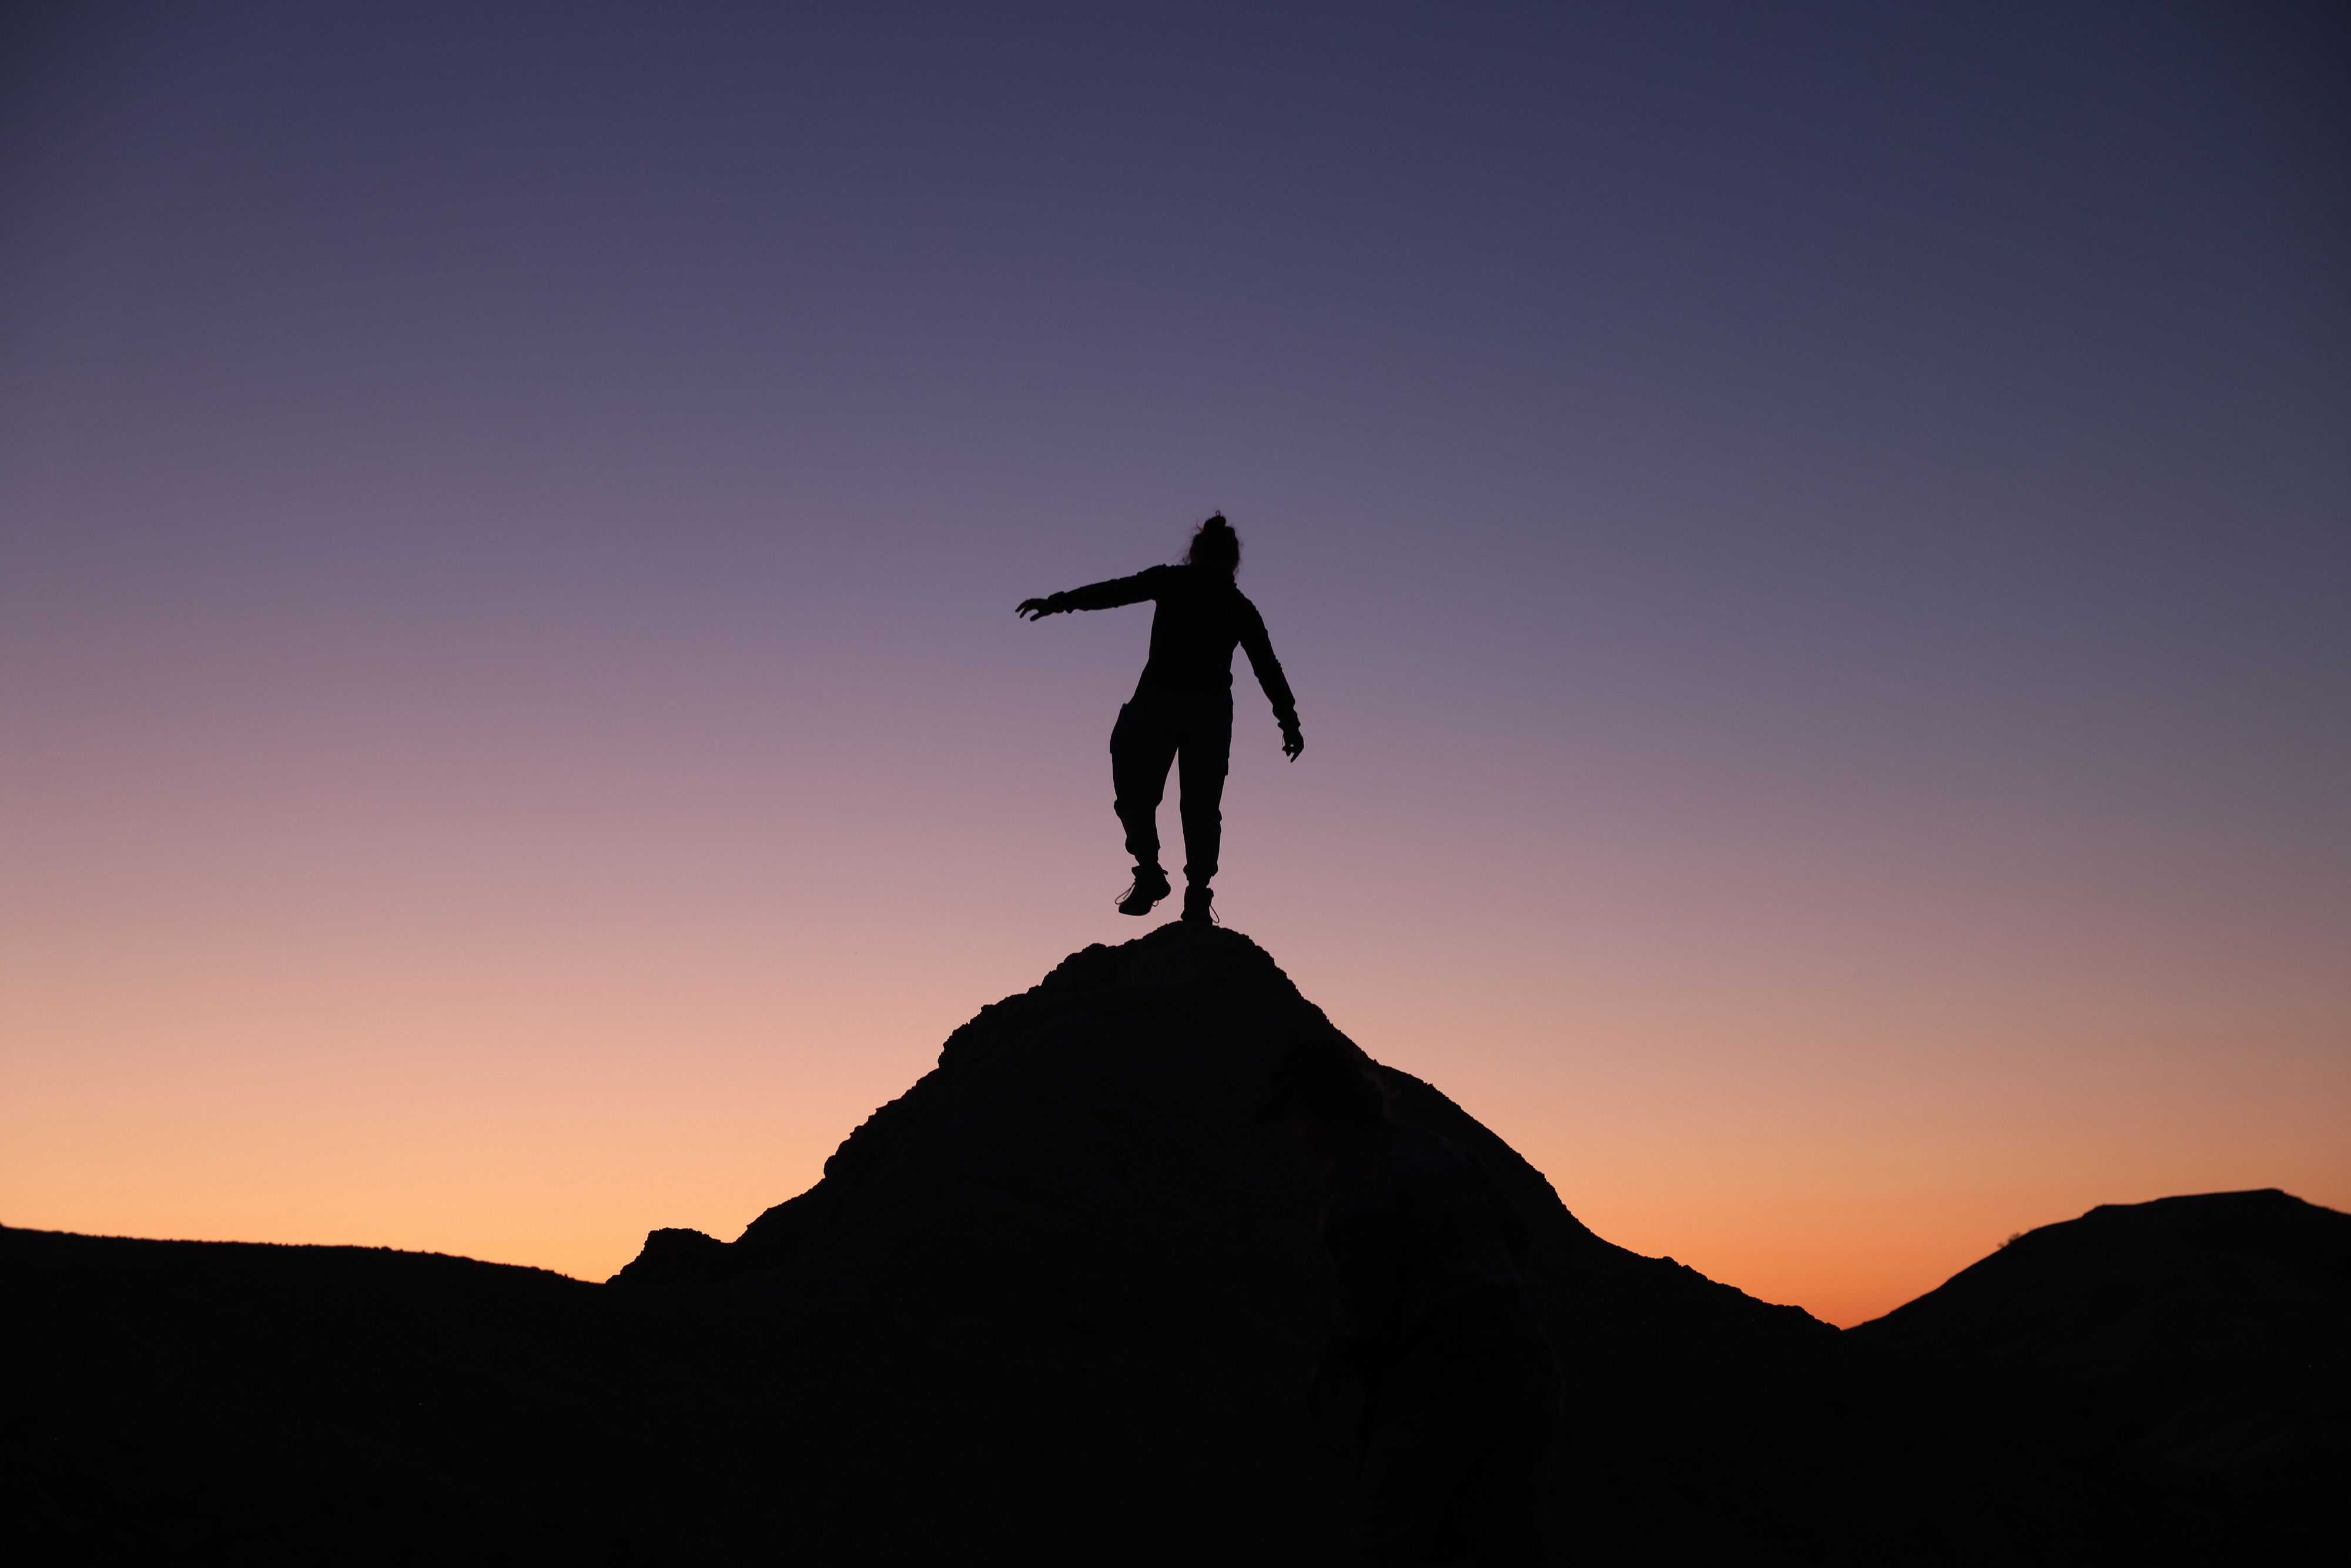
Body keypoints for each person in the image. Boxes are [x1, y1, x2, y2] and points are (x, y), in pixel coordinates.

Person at [1263, 1039, 1561, 1565]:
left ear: (1317, 1111)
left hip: (1441, 1383)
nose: (1293, 1137)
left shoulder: (1357, 1183)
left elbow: (1367, 1314)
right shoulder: (1439, 1151)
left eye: (1294, 1118)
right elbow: (1518, 1237)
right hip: (1522, 1369)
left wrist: (1331, 1382)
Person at [1017, 514, 1302, 922]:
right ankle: (1155, 875)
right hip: (1166, 707)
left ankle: (1194, 893)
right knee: (1148, 795)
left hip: (1199, 713)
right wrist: (1059, 603)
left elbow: (1267, 667)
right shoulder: (1180, 585)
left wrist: (1288, 719)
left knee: (1196, 806)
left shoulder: (1235, 607)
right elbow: (1115, 592)